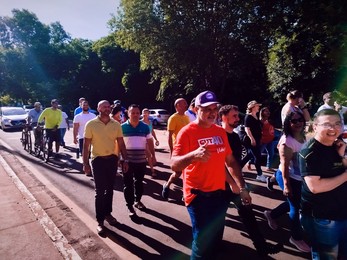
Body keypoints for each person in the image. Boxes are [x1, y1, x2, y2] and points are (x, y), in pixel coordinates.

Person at [171, 90, 252, 259]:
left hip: (219, 195)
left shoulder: (220, 132)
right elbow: (174, 164)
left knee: (215, 239)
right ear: (196, 109)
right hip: (197, 196)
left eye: (215, 108)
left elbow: (230, 162)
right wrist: (193, 155)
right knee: (202, 243)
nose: (212, 112)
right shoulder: (186, 132)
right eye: (207, 109)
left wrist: (242, 186)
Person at [219, 104, 283, 257]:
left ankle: (261, 247)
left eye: (237, 115)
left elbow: (235, 164)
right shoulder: (218, 136)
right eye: (234, 116)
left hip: (236, 183)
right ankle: (216, 245)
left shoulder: (235, 136)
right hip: (220, 185)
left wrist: (242, 186)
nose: (238, 118)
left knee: (248, 214)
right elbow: (219, 165)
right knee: (217, 219)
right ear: (223, 117)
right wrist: (234, 184)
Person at [299, 109, 347, 259]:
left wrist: (341, 156)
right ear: (315, 127)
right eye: (327, 124)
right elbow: (315, 187)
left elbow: (339, 168)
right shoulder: (309, 152)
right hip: (323, 217)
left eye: (337, 124)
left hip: (341, 211)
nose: (333, 128)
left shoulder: (337, 145)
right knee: (327, 255)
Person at [263, 111, 310, 253]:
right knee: (295, 208)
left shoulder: (303, 137)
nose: (298, 123)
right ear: (288, 123)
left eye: (300, 120)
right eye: (294, 121)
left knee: (294, 202)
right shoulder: (287, 141)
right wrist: (287, 185)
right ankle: (295, 237)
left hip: (300, 178)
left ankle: (271, 214)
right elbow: (284, 166)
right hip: (288, 177)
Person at [83, 100, 129, 235]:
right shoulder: (91, 124)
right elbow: (86, 146)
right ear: (98, 108)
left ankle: (108, 214)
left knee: (110, 190)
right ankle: (100, 221)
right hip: (97, 160)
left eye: (109, 107)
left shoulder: (116, 124)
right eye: (104, 107)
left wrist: (124, 159)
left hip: (112, 160)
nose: (107, 108)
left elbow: (121, 143)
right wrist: (85, 163)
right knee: (99, 191)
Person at [122, 104, 156, 216]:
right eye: (133, 113)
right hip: (127, 161)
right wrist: (119, 158)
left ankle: (138, 200)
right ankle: (130, 206)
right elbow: (118, 144)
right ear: (128, 113)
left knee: (139, 183)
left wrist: (153, 155)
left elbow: (150, 142)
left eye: (137, 113)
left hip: (141, 161)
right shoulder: (122, 127)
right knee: (128, 184)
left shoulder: (145, 127)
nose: (135, 115)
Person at [162, 98, 190, 200]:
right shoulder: (173, 118)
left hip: (188, 149)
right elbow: (169, 136)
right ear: (177, 105)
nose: (186, 105)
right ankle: (167, 185)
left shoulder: (187, 118)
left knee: (188, 172)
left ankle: (185, 193)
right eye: (184, 104)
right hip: (178, 150)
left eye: (186, 103)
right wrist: (171, 151)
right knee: (178, 173)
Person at [244, 100, 267, 182]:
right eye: (257, 106)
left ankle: (238, 168)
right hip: (251, 140)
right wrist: (252, 139)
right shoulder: (248, 116)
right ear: (253, 107)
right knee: (257, 156)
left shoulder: (256, 116)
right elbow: (247, 129)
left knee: (250, 155)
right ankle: (259, 174)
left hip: (257, 139)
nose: (258, 107)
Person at [73, 100, 96, 166]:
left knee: (92, 153)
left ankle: (91, 166)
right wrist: (75, 138)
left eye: (86, 105)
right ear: (81, 106)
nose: (85, 106)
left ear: (88, 106)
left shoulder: (93, 116)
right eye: (84, 105)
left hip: (93, 137)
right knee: (84, 154)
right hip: (82, 137)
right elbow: (75, 128)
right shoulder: (77, 116)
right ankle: (86, 167)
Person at [141, 108, 159, 177]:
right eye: (144, 112)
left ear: (149, 114)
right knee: (149, 155)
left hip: (150, 140)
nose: (145, 114)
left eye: (146, 113)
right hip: (144, 141)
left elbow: (152, 131)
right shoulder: (140, 122)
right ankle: (152, 171)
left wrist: (156, 139)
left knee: (150, 156)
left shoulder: (150, 122)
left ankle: (146, 168)